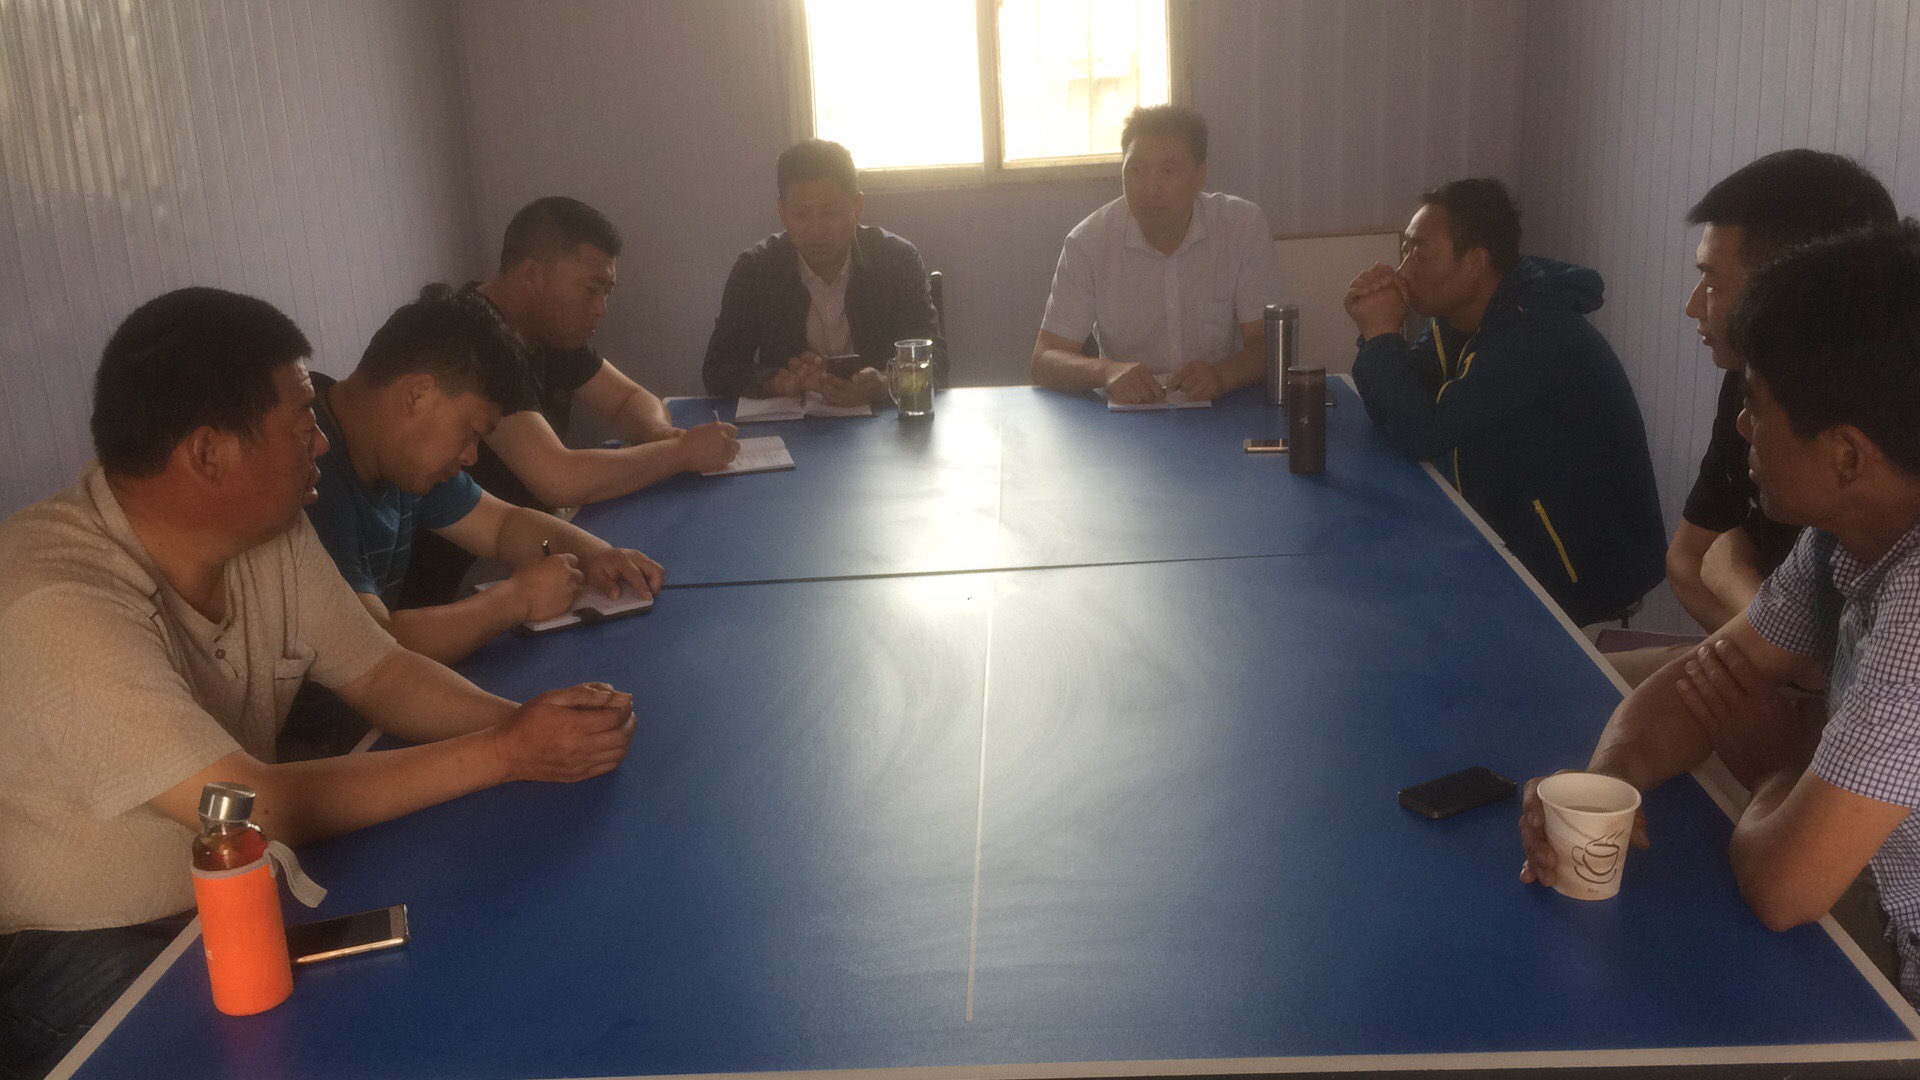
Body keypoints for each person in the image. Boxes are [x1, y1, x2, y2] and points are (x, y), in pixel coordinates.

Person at [0, 289, 638, 1078]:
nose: (322, 443)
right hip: (74, 939)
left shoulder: (266, 530)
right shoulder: (55, 598)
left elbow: (382, 670)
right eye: (301, 422)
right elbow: (250, 805)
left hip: (227, 892)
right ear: (208, 454)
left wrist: (530, 723)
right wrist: (506, 753)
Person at [1518, 221, 1920, 1002]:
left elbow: (1783, 887)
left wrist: (1778, 766)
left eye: (1758, 408)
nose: (1742, 427)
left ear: (1846, 454)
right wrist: (1604, 790)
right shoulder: (1843, 538)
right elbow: (1703, 681)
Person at [1604, 152, 1898, 686]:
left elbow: (1826, 670)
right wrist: (1780, 651)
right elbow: (1689, 562)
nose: (1692, 306)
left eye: (1712, 283)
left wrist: (1734, 578)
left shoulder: (1886, 446)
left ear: (1783, 290)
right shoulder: (1748, 385)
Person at [1344, 178, 1665, 627]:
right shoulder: (1461, 318)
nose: (1403, 271)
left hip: (1577, 580)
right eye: (1405, 251)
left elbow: (1423, 432)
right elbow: (1402, 401)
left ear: (1475, 264)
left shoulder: (1536, 334)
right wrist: (1377, 337)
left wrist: (1381, 336)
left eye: (1420, 254)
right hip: (1513, 545)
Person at [406, 197, 738, 604]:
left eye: (607, 292)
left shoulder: (547, 328)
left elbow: (629, 399)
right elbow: (558, 479)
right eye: (590, 289)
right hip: (469, 570)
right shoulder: (472, 340)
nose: (601, 309)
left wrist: (656, 433)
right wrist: (680, 452)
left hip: (531, 534)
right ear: (532, 273)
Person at [308, 294, 665, 666]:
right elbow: (372, 645)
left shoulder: (397, 454)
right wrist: (517, 599)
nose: (470, 457)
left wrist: (595, 555)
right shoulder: (309, 479)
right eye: (472, 431)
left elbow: (504, 526)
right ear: (418, 395)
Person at [1030, 104, 1283, 405]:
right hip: (1127, 413)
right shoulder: (1088, 243)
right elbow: (1044, 360)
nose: (1150, 188)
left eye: (1168, 170)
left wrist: (1222, 376)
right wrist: (1106, 371)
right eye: (1136, 170)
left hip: (1223, 406)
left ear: (1200, 175)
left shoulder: (1241, 227)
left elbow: (1268, 345)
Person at [702, 139, 945, 404]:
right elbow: (717, 369)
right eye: (801, 215)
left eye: (830, 213)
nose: (817, 230)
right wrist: (778, 382)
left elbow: (937, 364)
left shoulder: (897, 261)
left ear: (857, 208)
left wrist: (887, 383)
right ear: (782, 213)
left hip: (879, 420)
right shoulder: (756, 270)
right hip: (792, 422)